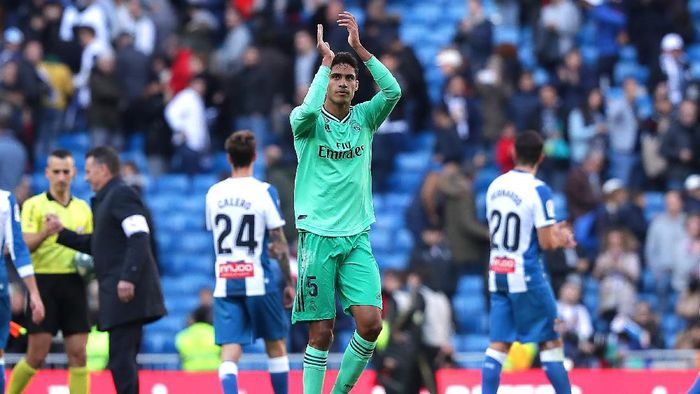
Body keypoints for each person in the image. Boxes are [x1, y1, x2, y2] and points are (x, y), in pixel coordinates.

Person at [289, 12, 401, 394]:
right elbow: (304, 111)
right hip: (317, 236)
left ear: (356, 86)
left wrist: (359, 51)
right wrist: (324, 64)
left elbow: (393, 93)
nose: (342, 83)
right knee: (321, 333)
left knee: (371, 324)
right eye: (337, 76)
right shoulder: (307, 124)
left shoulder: (366, 119)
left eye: (348, 78)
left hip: (356, 237)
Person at [47, 147, 166, 394]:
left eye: (89, 171)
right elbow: (98, 245)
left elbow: (140, 236)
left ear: (103, 170)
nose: (86, 177)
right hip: (116, 291)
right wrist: (61, 233)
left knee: (121, 360)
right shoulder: (106, 200)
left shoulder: (122, 194)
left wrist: (128, 278)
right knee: (122, 359)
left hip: (125, 292)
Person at [481, 130, 575, 394]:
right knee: (551, 340)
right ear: (541, 157)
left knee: (498, 344)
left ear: (513, 153)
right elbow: (546, 243)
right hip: (526, 274)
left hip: (497, 271)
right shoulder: (539, 190)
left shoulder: (495, 186)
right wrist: (561, 239)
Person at [205, 131, 294, 394]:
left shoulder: (213, 193)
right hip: (257, 278)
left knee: (230, 351)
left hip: (225, 282)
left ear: (229, 157)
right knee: (275, 345)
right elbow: (278, 243)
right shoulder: (264, 191)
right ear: (255, 157)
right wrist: (288, 282)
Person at [8, 150, 93, 394]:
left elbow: (89, 244)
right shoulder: (34, 205)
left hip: (75, 281)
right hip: (43, 282)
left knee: (79, 353)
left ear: (74, 173)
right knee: (37, 355)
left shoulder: (83, 208)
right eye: (56, 172)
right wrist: (46, 232)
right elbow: (22, 245)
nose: (61, 177)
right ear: (47, 173)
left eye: (66, 171)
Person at [0, 189, 45, 393]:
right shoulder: (4, 200)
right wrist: (34, 293)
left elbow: (18, 249)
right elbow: (19, 249)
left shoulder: (5, 200)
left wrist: (33, 293)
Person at [175, 305, 220, 371]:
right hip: (213, 372)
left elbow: (181, 357)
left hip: (190, 373)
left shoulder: (183, 335)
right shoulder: (216, 333)